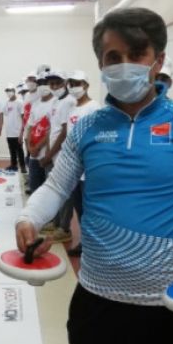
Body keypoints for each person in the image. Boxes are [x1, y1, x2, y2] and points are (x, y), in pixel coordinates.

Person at [15, 8, 173, 344]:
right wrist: (28, 219)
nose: (125, 64)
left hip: (170, 302)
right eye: (113, 57)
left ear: (158, 60)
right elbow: (55, 187)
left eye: (137, 54)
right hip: (96, 300)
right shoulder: (86, 127)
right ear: (101, 64)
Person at [64, 70, 101, 257]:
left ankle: (94, 245)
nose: (73, 87)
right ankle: (85, 244)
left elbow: (99, 137)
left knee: (90, 210)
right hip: (75, 169)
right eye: (71, 83)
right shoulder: (72, 108)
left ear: (86, 85)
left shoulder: (94, 107)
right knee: (79, 208)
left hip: (89, 169)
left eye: (77, 83)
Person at [41, 70, 76, 242]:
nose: (54, 87)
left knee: (64, 193)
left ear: (66, 82)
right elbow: (51, 129)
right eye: (51, 84)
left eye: (58, 83)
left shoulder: (70, 101)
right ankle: (55, 222)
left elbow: (63, 132)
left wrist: (50, 153)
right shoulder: (55, 101)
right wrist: (47, 152)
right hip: (52, 155)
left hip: (62, 154)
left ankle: (64, 228)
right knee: (53, 191)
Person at [25, 73, 55, 193]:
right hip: (34, 155)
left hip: (47, 155)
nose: (43, 86)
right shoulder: (35, 104)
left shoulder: (55, 103)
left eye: (45, 83)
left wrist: (37, 147)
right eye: (40, 83)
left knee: (48, 191)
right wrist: (29, 147)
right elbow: (30, 127)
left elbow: (53, 130)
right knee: (35, 188)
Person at [3, 84, 25, 172]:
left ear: (14, 91)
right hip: (9, 132)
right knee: (11, 150)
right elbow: (6, 114)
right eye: (7, 91)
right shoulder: (6, 103)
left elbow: (24, 118)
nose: (9, 92)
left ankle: (23, 166)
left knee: (19, 151)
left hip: (17, 132)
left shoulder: (20, 102)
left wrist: (21, 133)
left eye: (10, 90)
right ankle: (13, 165)